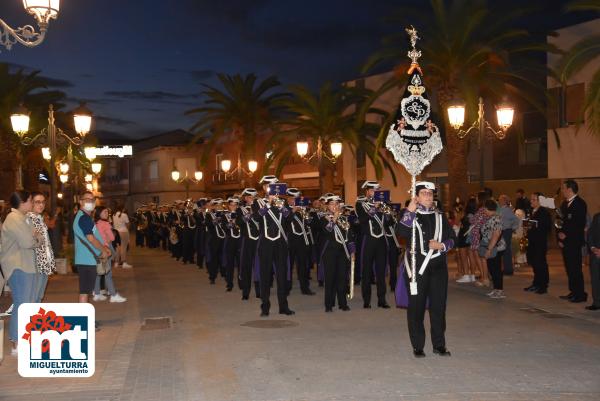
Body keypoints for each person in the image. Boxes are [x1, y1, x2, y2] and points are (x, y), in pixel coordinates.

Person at [396, 182, 455, 357]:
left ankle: (439, 344)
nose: (428, 196)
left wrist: (442, 245)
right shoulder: (409, 214)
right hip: (416, 268)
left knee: (438, 308)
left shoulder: (440, 216)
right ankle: (418, 345)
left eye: (430, 193)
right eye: (424, 193)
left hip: (438, 268)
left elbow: (453, 238)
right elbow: (401, 234)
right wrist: (410, 211)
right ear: (417, 196)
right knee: (416, 308)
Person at [0, 191, 40, 356]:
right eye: (31, 200)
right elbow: (28, 241)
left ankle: (23, 338)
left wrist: (35, 238)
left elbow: (35, 237)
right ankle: (16, 342)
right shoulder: (13, 218)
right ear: (22, 202)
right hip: (18, 267)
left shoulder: (23, 218)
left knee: (27, 303)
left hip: (26, 265)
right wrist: (35, 238)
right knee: (22, 304)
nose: (32, 204)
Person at [253, 175, 295, 317]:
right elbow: (257, 217)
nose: (271, 188)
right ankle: (265, 307)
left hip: (280, 243)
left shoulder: (283, 202)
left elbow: (290, 218)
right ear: (264, 188)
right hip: (265, 244)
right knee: (265, 276)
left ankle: (283, 306)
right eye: (268, 186)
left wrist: (282, 207)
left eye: (274, 186)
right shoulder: (258, 202)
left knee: (282, 276)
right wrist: (269, 204)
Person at [356, 181, 391, 309]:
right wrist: (374, 207)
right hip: (368, 239)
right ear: (367, 191)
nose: (375, 193)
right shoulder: (360, 204)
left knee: (381, 271)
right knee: (366, 271)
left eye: (377, 191)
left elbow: (389, 223)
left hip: (381, 240)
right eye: (373, 191)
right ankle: (367, 300)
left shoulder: (384, 203)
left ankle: (382, 299)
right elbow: (362, 220)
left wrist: (388, 214)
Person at [73, 191, 111, 304]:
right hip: (86, 260)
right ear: (80, 202)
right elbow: (90, 238)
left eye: (92, 200)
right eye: (87, 200)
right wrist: (103, 250)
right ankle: (84, 319)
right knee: (84, 291)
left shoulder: (85, 217)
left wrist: (104, 246)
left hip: (87, 259)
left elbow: (94, 236)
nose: (90, 202)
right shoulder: (83, 218)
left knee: (86, 291)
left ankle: (85, 318)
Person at [320, 195, 354, 312]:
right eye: (332, 204)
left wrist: (352, 251)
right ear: (327, 206)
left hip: (343, 252)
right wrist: (334, 218)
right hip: (329, 252)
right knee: (330, 279)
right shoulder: (323, 217)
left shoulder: (344, 218)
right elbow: (327, 231)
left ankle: (342, 303)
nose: (335, 206)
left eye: (336, 204)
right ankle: (328, 305)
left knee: (342, 279)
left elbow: (349, 236)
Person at [557, 179, 588, 303]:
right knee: (569, 268)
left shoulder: (580, 203)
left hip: (574, 242)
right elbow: (559, 221)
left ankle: (580, 294)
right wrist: (559, 236)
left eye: (564, 188)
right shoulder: (564, 204)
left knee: (575, 268)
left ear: (570, 189)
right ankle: (573, 291)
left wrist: (566, 235)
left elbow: (579, 224)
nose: (562, 191)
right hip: (564, 242)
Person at [92, 206, 126, 303]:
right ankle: (113, 294)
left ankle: (97, 293)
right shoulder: (106, 224)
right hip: (106, 249)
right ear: (99, 213)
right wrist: (109, 235)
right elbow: (112, 237)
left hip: (97, 248)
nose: (106, 213)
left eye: (107, 212)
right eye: (104, 212)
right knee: (108, 273)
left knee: (99, 271)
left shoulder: (95, 223)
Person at [286, 188, 315, 296]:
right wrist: (293, 210)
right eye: (293, 198)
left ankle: (305, 287)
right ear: (288, 198)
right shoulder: (283, 208)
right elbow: (285, 220)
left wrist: (306, 214)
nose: (294, 200)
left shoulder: (303, 209)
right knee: (288, 265)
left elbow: (309, 223)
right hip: (289, 241)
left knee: (303, 265)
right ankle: (287, 287)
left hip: (302, 240)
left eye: (296, 198)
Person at [28, 192, 56, 302]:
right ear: (31, 203)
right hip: (36, 264)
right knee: (35, 296)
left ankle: (35, 318)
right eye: (37, 202)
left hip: (44, 262)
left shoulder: (39, 218)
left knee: (39, 296)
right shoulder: (29, 219)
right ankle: (31, 318)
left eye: (43, 202)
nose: (41, 205)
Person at [524, 193, 552, 294]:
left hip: (539, 242)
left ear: (540, 201)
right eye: (531, 199)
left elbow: (547, 227)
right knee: (534, 263)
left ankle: (543, 286)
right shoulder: (532, 211)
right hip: (532, 241)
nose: (531, 201)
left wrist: (534, 226)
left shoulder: (544, 212)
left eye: (533, 200)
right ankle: (536, 283)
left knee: (541, 264)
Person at [479, 199, 507, 299]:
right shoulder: (490, 217)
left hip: (496, 247)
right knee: (492, 268)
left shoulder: (496, 218)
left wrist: (489, 249)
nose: (484, 211)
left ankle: (499, 290)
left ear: (487, 208)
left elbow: (496, 235)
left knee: (496, 269)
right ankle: (496, 289)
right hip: (490, 246)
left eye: (484, 209)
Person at [237, 189, 260, 300]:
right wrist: (249, 214)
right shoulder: (240, 210)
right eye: (249, 197)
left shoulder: (259, 208)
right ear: (245, 198)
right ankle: (245, 292)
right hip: (247, 241)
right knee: (246, 267)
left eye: (253, 197)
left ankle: (259, 291)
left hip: (258, 241)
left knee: (259, 266)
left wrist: (254, 210)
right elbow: (239, 222)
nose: (251, 198)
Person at [498, 194, 520, 276]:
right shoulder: (501, 209)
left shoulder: (507, 210)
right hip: (502, 231)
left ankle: (509, 270)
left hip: (506, 231)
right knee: (504, 250)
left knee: (506, 250)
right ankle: (506, 268)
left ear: (504, 201)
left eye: (500, 200)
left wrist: (512, 228)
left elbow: (516, 220)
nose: (499, 201)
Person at [456, 198, 477, 283]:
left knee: (463, 257)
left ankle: (466, 275)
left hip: (463, 236)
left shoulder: (464, 214)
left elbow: (458, 222)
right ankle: (472, 275)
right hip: (472, 236)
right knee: (471, 256)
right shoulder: (476, 214)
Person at [587, 212, 600, 311]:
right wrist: (592, 248)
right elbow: (590, 233)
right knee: (595, 279)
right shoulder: (597, 216)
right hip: (595, 254)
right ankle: (597, 302)